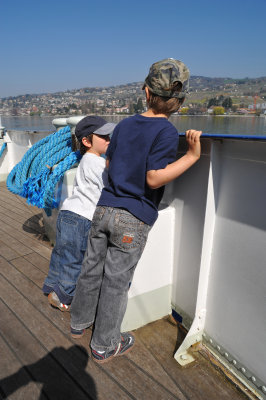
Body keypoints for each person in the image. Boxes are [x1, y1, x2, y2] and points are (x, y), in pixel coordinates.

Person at [70, 58, 202, 363]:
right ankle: (104, 345)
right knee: (116, 282)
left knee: (91, 269)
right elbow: (153, 177)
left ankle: (80, 322)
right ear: (180, 101)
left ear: (146, 92)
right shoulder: (167, 132)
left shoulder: (126, 124)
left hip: (104, 208)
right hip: (133, 217)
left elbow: (108, 163)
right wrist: (192, 156)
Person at [42, 116, 116, 311]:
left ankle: (50, 284)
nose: (109, 139)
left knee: (61, 254)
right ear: (86, 141)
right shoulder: (98, 164)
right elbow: (111, 187)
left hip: (67, 213)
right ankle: (61, 296)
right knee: (74, 261)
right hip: (82, 218)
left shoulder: (85, 161)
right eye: (104, 137)